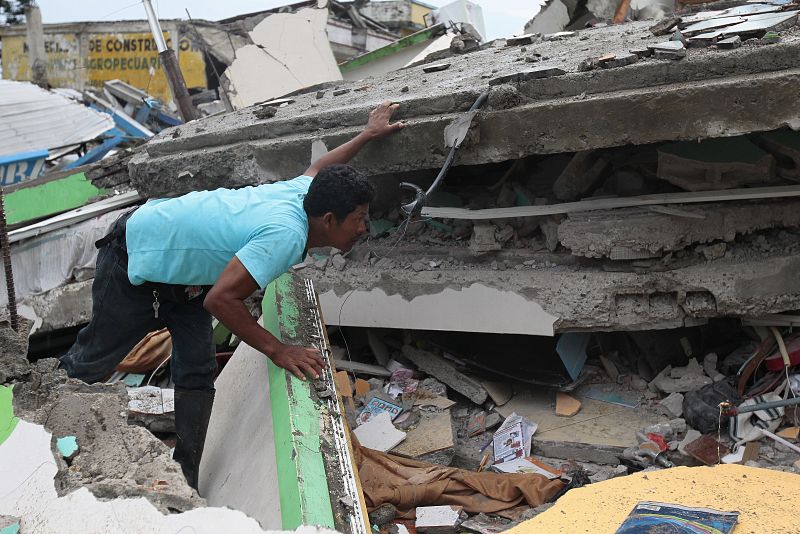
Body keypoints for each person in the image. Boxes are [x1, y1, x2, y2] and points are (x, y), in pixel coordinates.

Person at [59, 101, 404, 489]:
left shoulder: (307, 193)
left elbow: (318, 169)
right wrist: (279, 350)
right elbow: (221, 301)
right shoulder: (287, 234)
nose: (364, 228)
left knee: (198, 372)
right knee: (91, 363)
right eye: (358, 219)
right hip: (134, 258)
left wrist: (368, 133)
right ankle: (43, 434)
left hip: (186, 282)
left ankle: (183, 478)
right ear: (328, 220)